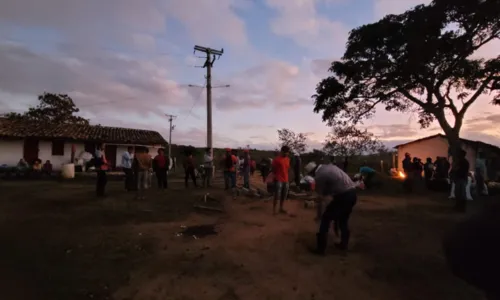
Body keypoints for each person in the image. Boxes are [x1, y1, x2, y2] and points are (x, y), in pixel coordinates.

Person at [305, 161, 358, 254]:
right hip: (353, 194)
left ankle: (320, 249)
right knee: (343, 219)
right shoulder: (329, 166)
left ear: (312, 172)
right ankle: (344, 244)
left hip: (343, 196)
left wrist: (319, 215)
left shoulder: (320, 176)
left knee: (326, 219)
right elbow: (331, 187)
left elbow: (321, 197)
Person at [272, 145, 291, 214]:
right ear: (282, 151)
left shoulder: (288, 159)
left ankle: (281, 208)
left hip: (286, 180)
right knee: (277, 195)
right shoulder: (276, 160)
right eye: (285, 152)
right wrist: (274, 178)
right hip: (278, 179)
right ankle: (274, 209)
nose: (286, 153)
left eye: (287, 152)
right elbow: (273, 170)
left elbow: (288, 169)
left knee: (284, 195)